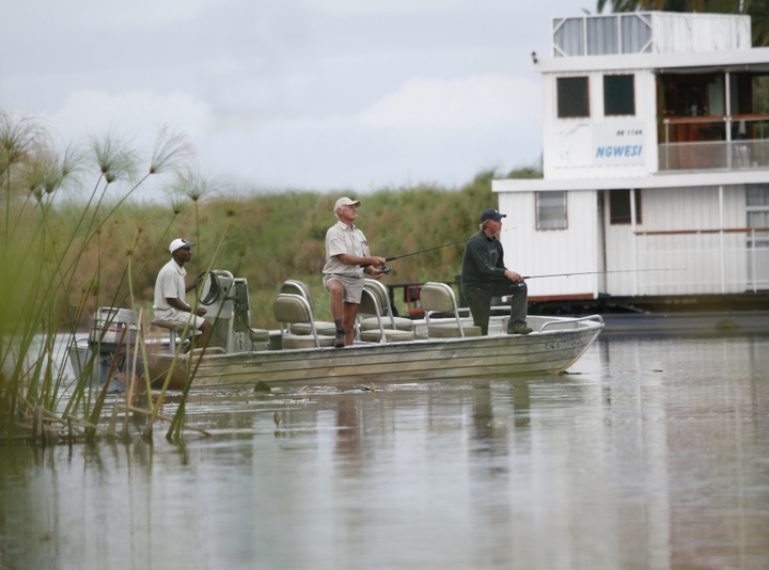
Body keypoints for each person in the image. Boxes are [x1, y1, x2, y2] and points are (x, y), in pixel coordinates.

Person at [322, 197, 387, 347]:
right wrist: (372, 259)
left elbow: (362, 262)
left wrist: (372, 271)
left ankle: (348, 354)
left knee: (349, 325)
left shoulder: (359, 234)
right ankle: (338, 330)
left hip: (355, 280)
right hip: (335, 275)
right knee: (336, 289)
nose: (354, 209)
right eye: (350, 206)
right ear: (339, 211)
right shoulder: (334, 232)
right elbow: (345, 259)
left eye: (355, 206)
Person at [460, 208, 531, 336]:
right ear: (487, 223)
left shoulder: (496, 244)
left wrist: (513, 276)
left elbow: (499, 268)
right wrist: (506, 273)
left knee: (520, 287)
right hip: (475, 289)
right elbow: (485, 269)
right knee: (482, 329)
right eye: (497, 220)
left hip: (490, 285)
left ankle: (516, 325)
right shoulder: (476, 242)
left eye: (501, 220)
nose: (500, 223)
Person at [153, 238, 213, 349]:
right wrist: (193, 311)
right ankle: (189, 361)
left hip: (174, 312)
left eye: (189, 250)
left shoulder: (178, 269)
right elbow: (171, 299)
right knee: (207, 327)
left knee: (197, 337)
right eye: (185, 250)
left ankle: (184, 361)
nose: (189, 252)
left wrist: (193, 286)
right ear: (175, 252)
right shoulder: (170, 271)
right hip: (169, 314)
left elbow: (176, 293)